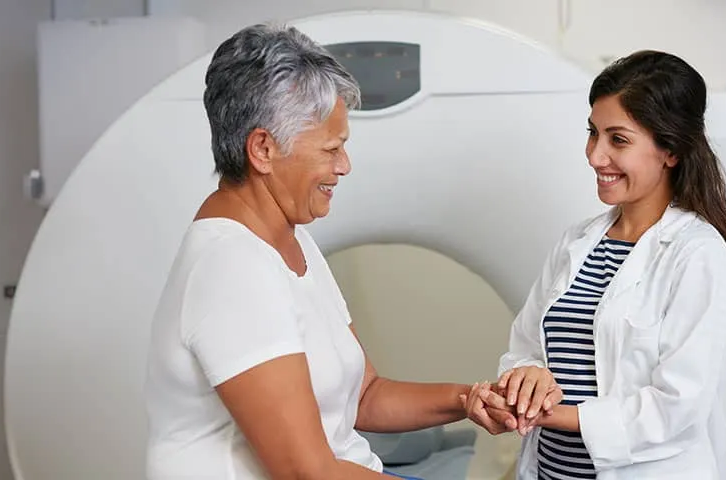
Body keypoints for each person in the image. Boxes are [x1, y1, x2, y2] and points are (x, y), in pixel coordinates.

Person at [143, 23, 510, 480]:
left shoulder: (290, 240)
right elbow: (306, 472)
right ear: (263, 149)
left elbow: (364, 395)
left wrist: (469, 398)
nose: (344, 165)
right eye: (331, 148)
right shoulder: (231, 267)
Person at [459, 50, 726, 479]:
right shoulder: (575, 243)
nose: (595, 156)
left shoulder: (698, 255)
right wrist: (526, 380)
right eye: (592, 133)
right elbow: (525, 348)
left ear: (669, 150)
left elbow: (678, 404)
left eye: (618, 139)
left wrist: (551, 414)